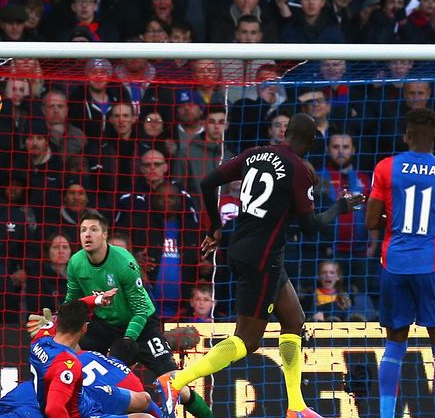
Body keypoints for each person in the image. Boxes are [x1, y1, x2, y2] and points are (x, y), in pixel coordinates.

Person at [156, 113, 364, 418]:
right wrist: (340, 207)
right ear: (310, 141)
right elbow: (311, 227)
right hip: (262, 260)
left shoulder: (256, 153)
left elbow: (207, 181)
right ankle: (177, 380)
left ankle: (296, 406)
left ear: (286, 133)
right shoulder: (298, 170)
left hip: (246, 249)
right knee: (247, 340)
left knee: (294, 319)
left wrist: (215, 226)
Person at [364, 108, 435, 418]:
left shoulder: (386, 167)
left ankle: (385, 414)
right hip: (431, 265)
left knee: (395, 343)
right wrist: (431, 229)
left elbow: (370, 221)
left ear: (405, 135)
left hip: (394, 265)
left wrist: (399, 227)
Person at [65, 209, 213, 418]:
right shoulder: (76, 263)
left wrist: (127, 341)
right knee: (68, 352)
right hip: (105, 325)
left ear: (105, 235)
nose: (87, 234)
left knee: (174, 382)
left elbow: (141, 309)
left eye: (93, 229)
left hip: (141, 325)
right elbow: (73, 304)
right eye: (82, 230)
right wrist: (56, 324)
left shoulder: (124, 261)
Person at [29, 297, 152, 418]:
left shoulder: (40, 338)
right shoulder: (68, 364)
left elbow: (75, 307)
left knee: (145, 399)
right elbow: (53, 409)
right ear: (84, 328)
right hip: (85, 413)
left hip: (87, 394)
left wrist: (98, 299)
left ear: (58, 322)